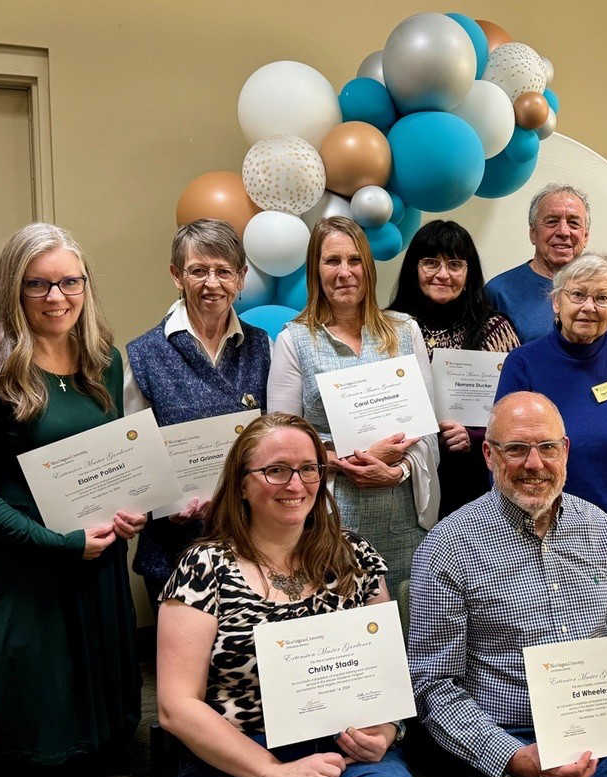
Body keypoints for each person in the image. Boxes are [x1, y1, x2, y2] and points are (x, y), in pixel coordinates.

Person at [408, 392, 607, 777]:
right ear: (488, 454)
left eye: (547, 447)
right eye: (516, 449)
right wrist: (511, 757)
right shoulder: (447, 548)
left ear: (565, 450)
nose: (534, 464)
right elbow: (433, 685)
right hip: (510, 741)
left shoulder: (601, 530)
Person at [0, 223, 143, 777]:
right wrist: (53, 543)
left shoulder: (105, 361)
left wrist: (134, 505)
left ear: (86, 285)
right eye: (38, 285)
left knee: (99, 731)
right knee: (39, 729)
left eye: (69, 282)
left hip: (96, 563)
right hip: (29, 566)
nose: (57, 297)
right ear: (14, 289)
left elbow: (115, 456)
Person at [157, 412, 415, 777]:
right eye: (276, 470)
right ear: (242, 485)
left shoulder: (354, 556)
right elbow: (175, 707)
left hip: (345, 748)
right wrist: (273, 772)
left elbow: (388, 677)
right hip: (239, 752)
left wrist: (386, 731)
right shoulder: (204, 567)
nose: (296, 485)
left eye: (309, 469)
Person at [268, 216, 439, 587]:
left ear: (368, 267)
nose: (345, 272)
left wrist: (398, 471)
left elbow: (428, 432)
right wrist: (349, 463)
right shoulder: (294, 342)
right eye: (332, 261)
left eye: (355, 260)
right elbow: (278, 447)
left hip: (403, 520)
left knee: (408, 623)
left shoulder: (404, 331)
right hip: (328, 520)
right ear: (316, 270)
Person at [125, 218, 273, 609]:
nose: (212, 283)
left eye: (224, 271)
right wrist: (166, 504)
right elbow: (133, 454)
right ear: (177, 275)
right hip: (175, 545)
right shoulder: (144, 354)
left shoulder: (263, 347)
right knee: (182, 666)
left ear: (241, 278)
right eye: (198, 271)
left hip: (252, 538)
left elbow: (275, 440)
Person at [495, 252, 607, 573]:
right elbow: (503, 457)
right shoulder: (524, 363)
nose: (589, 307)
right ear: (555, 303)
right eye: (577, 295)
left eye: (603, 298)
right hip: (541, 537)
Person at [388, 220, 520, 517]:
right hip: (402, 475)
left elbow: (517, 409)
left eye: (455, 264)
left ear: (469, 272)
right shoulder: (387, 328)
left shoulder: (494, 330)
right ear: (413, 268)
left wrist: (473, 437)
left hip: (472, 482)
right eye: (430, 263)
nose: (443, 274)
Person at [484, 183, 607, 344]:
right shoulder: (499, 293)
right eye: (552, 221)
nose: (563, 231)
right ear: (532, 233)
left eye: (574, 223)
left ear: (586, 236)